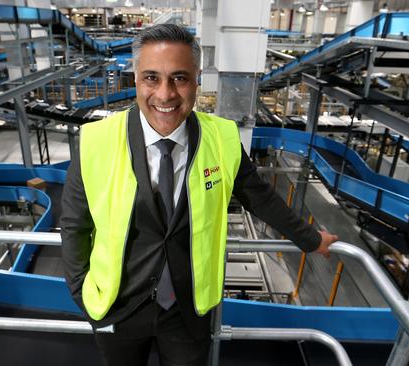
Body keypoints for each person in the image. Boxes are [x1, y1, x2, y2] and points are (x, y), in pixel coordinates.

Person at [60, 24, 338, 366]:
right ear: (135, 80)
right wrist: (81, 293)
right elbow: (74, 225)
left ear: (196, 82)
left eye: (179, 78)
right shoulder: (96, 141)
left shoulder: (221, 138)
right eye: (151, 78)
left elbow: (260, 197)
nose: (165, 94)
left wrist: (310, 238)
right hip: (118, 307)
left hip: (187, 309)